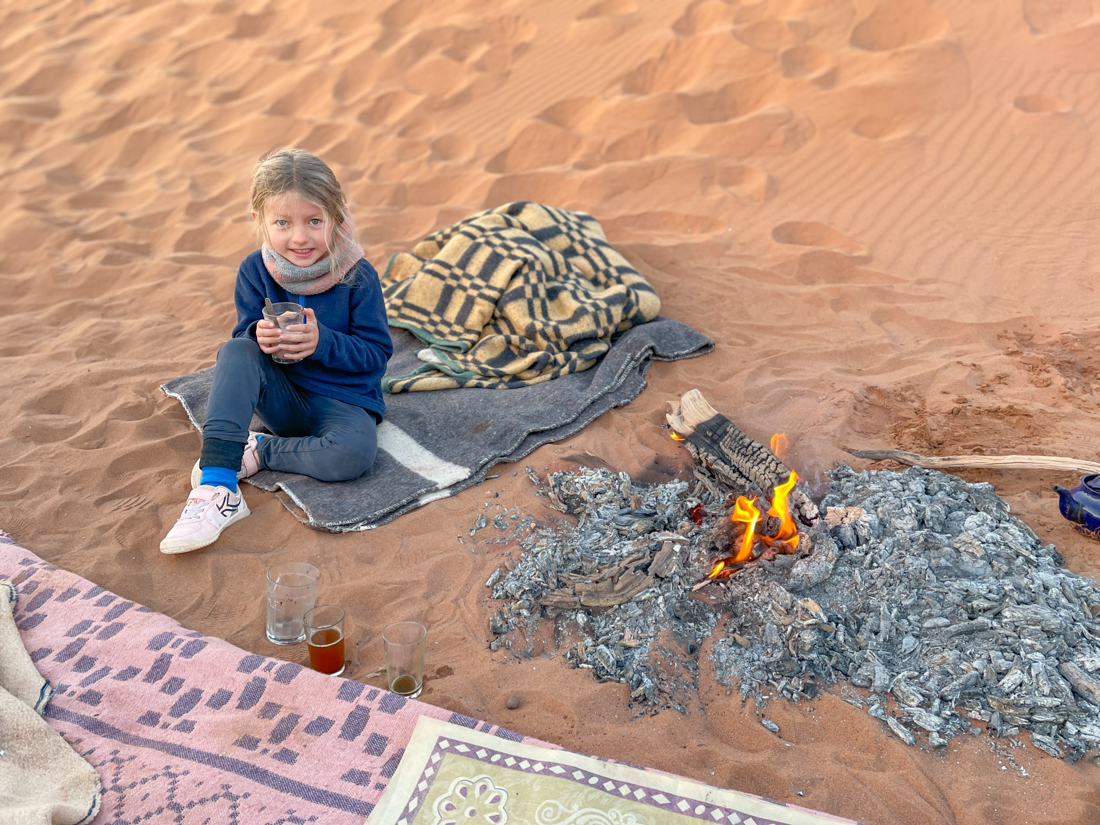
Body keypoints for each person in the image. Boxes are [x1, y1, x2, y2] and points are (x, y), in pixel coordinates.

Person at [161, 149, 393, 554]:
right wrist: (258, 336)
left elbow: (376, 354)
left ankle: (259, 450)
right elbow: (244, 345)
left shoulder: (357, 275)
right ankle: (218, 486)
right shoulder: (255, 270)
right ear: (260, 220)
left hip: (344, 402)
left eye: (314, 221)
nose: (299, 237)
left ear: (336, 218)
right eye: (283, 223)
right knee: (235, 350)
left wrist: (324, 343)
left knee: (355, 455)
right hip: (282, 398)